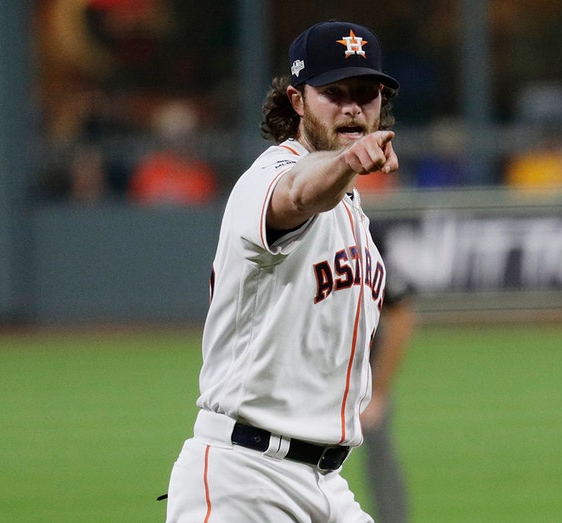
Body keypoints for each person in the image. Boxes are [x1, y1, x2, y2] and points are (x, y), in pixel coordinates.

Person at [163, 20, 399, 522]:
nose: (353, 108)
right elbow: (296, 194)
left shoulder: (352, 210)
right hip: (243, 480)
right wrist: (347, 163)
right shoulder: (268, 177)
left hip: (325, 482)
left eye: (366, 93)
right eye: (334, 93)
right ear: (296, 101)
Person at [359, 261, 415, 523]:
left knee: (380, 463)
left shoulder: (367, 240)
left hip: (360, 384)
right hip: (310, 384)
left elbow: (401, 315)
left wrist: (378, 392)